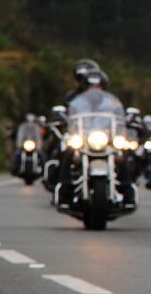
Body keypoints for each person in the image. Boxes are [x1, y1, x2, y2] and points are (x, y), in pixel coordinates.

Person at [56, 70, 135, 209]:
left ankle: (128, 193)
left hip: (107, 140)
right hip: (85, 140)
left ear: (103, 87)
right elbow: (71, 121)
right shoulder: (77, 103)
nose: (95, 89)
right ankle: (64, 192)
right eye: (91, 86)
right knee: (68, 154)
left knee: (122, 156)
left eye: (98, 86)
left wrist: (122, 130)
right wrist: (66, 123)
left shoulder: (112, 104)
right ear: (85, 87)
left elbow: (120, 120)